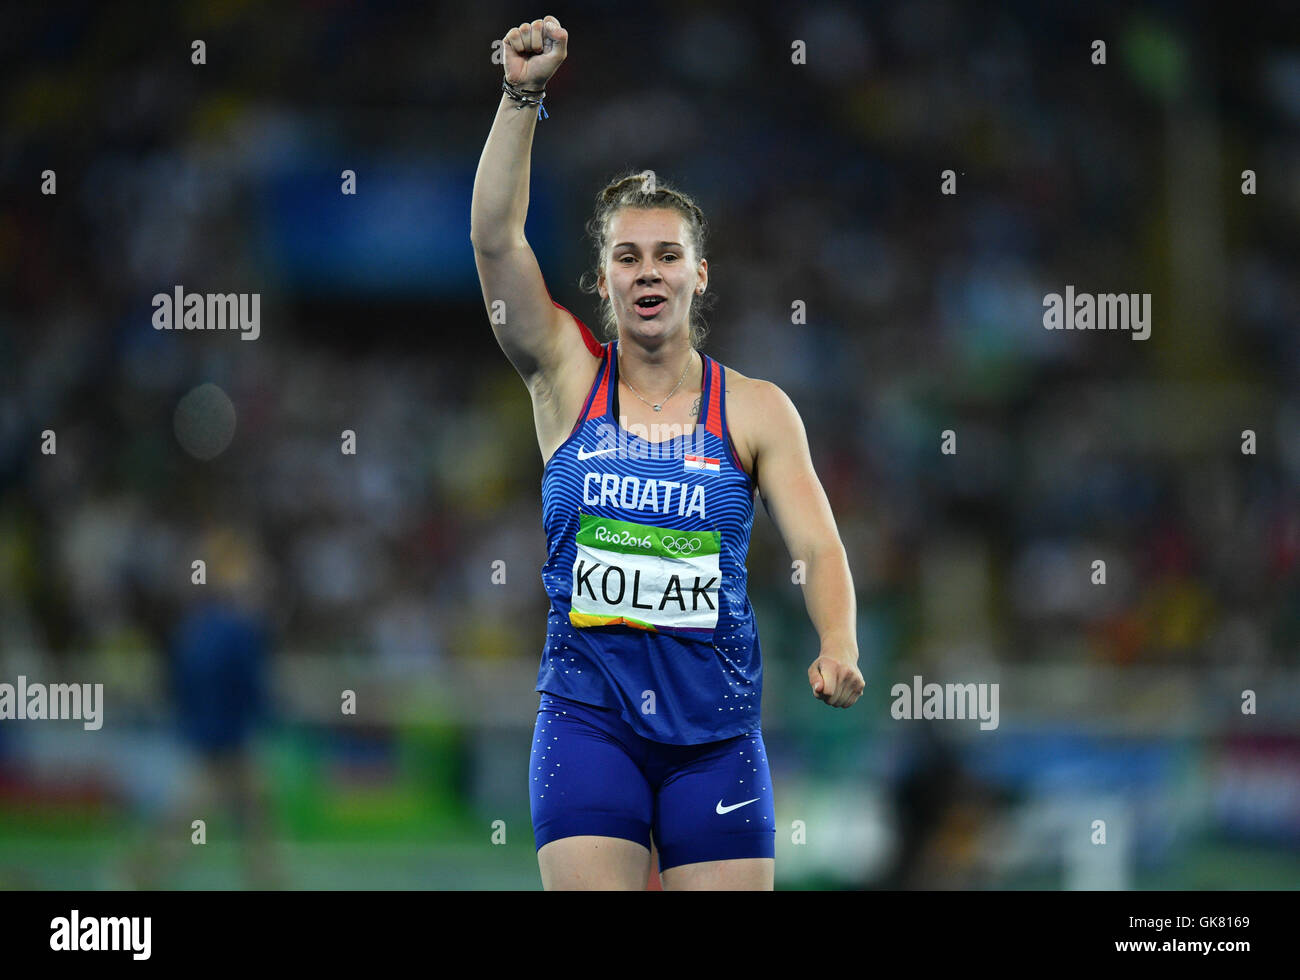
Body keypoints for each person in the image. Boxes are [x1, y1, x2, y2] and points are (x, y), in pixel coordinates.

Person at [471, 16, 863, 890]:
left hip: (717, 740)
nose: (648, 272)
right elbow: (496, 242)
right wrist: (521, 93)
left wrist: (839, 641)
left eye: (667, 255)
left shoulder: (758, 410)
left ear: (700, 274)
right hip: (588, 724)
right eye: (627, 257)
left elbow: (818, 546)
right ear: (602, 280)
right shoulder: (565, 379)